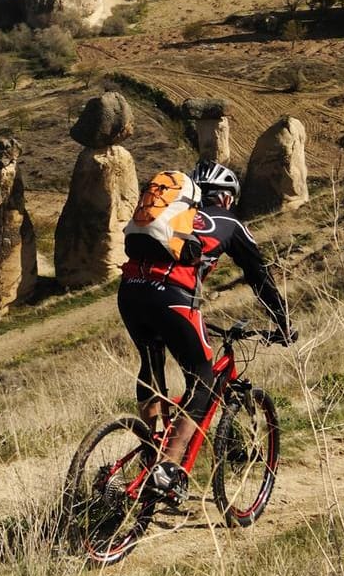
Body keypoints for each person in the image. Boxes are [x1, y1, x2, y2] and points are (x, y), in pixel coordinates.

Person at [117, 159, 293, 503]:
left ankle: (149, 449)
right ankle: (167, 467)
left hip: (130, 291)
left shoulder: (174, 221)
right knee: (203, 377)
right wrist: (282, 322)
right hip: (173, 299)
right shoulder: (231, 223)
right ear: (227, 199)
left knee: (151, 362)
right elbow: (260, 277)